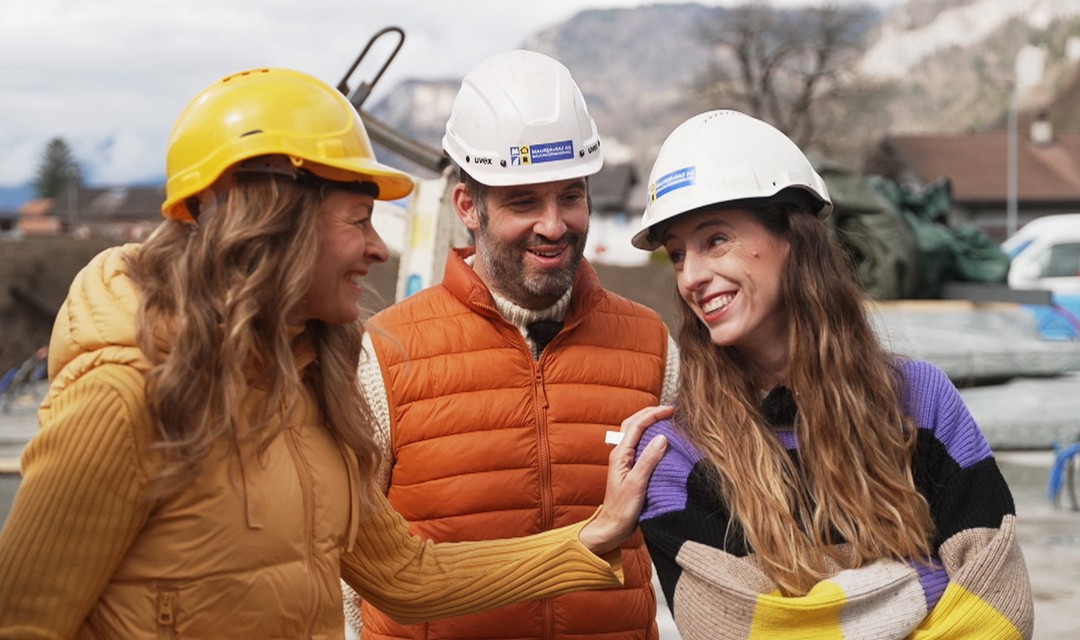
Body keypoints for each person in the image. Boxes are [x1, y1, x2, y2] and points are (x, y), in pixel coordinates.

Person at [0, 66, 671, 640]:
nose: (378, 249)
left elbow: (406, 575)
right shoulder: (125, 400)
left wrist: (590, 538)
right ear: (274, 225)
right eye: (358, 220)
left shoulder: (308, 395)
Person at [630, 110, 1035, 639]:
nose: (692, 277)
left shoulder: (922, 401)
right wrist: (927, 579)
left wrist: (819, 609)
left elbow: (1001, 610)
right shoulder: (676, 454)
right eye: (678, 255)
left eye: (716, 240)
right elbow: (738, 630)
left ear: (793, 236)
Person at [347, 50, 679, 640]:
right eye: (524, 201)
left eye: (570, 196)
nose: (553, 225)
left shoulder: (652, 346)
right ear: (468, 207)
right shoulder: (384, 355)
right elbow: (352, 570)